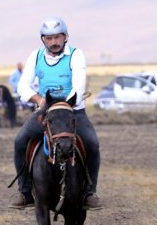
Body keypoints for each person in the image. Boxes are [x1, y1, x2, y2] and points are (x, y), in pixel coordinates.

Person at [8, 17, 102, 211]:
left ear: (65, 37)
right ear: (43, 39)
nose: (53, 42)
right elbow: (23, 86)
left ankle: (89, 193)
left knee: (92, 143)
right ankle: (25, 193)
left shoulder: (76, 55)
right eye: (48, 38)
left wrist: (63, 103)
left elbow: (78, 87)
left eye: (57, 37)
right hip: (45, 111)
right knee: (20, 141)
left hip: (72, 111)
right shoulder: (35, 56)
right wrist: (38, 100)